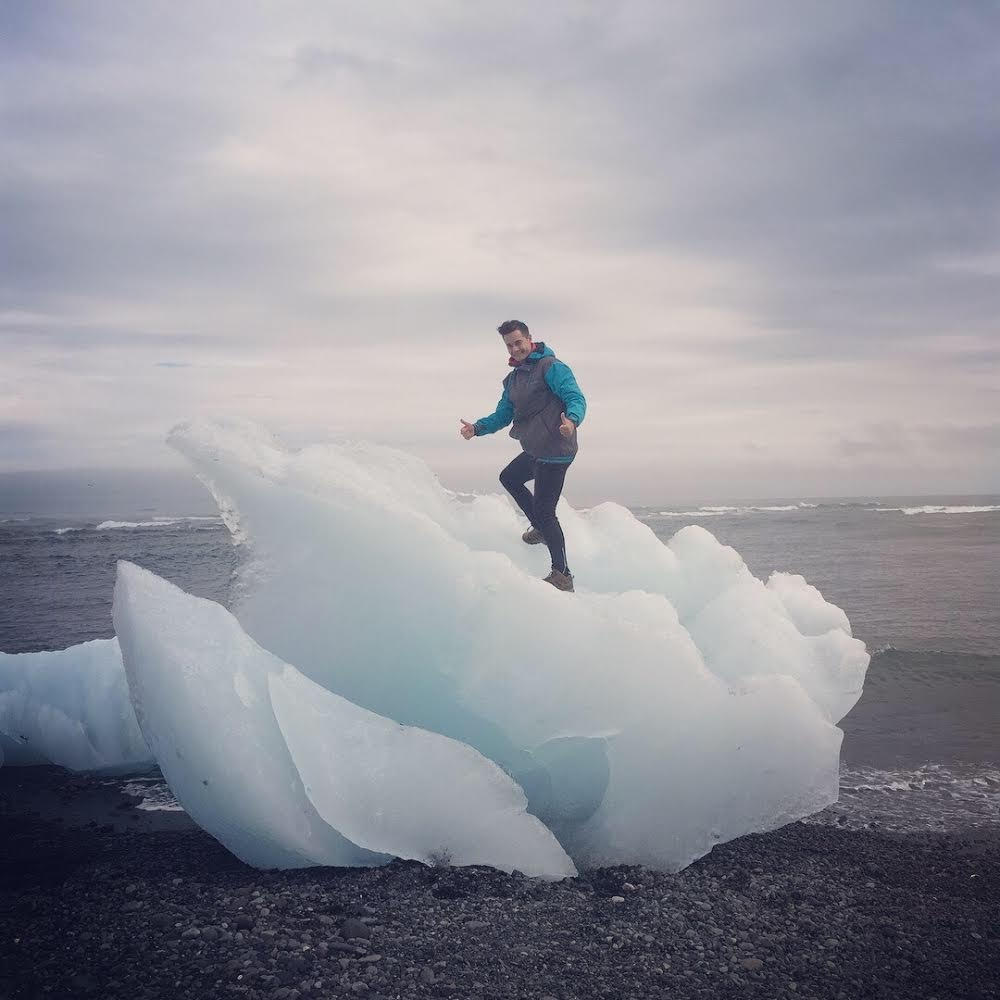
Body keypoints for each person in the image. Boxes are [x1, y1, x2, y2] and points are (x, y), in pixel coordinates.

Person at [460, 320, 587, 592]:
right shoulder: (514, 380)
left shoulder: (551, 367)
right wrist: (477, 428)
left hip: (556, 449)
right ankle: (540, 529)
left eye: (519, 342)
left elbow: (575, 396)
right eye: (509, 345)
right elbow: (503, 414)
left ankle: (562, 574)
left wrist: (572, 421)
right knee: (509, 477)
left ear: (530, 339)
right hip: (535, 449)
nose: (515, 348)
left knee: (545, 510)